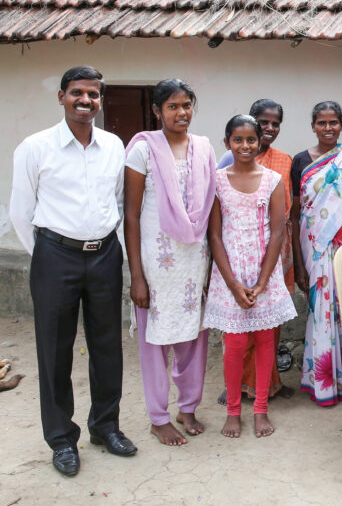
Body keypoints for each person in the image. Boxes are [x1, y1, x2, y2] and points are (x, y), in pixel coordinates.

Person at [10, 65, 136, 475]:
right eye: (77, 93)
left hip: (103, 256)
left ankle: (105, 426)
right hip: (54, 256)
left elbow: (117, 202)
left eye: (94, 94)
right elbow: (21, 211)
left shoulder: (114, 145)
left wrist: (105, 247)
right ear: (62, 96)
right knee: (54, 350)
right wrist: (47, 255)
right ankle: (62, 440)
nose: (86, 101)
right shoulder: (35, 147)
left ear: (100, 100)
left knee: (107, 346)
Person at [124, 78, 216, 446]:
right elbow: (130, 216)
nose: (182, 112)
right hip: (156, 264)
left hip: (195, 260)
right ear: (157, 110)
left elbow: (211, 209)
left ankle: (188, 406)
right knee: (155, 342)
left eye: (187, 105)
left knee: (194, 337)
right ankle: (158, 417)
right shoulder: (143, 150)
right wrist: (136, 277)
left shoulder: (204, 148)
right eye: (174, 106)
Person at [204, 115, 297, 438]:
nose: (245, 146)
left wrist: (261, 282)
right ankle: (233, 411)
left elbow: (276, 233)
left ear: (260, 142)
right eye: (238, 140)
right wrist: (232, 283)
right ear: (227, 142)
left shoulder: (272, 180)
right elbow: (214, 236)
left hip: (264, 274)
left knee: (264, 342)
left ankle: (260, 409)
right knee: (234, 344)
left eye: (251, 140)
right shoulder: (216, 181)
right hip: (229, 274)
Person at [291, 101, 342, 406]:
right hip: (314, 246)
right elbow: (296, 213)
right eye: (322, 123)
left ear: (341, 125)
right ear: (313, 125)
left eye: (334, 122)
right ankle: (323, 381)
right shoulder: (300, 161)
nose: (328, 128)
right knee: (319, 312)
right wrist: (299, 262)